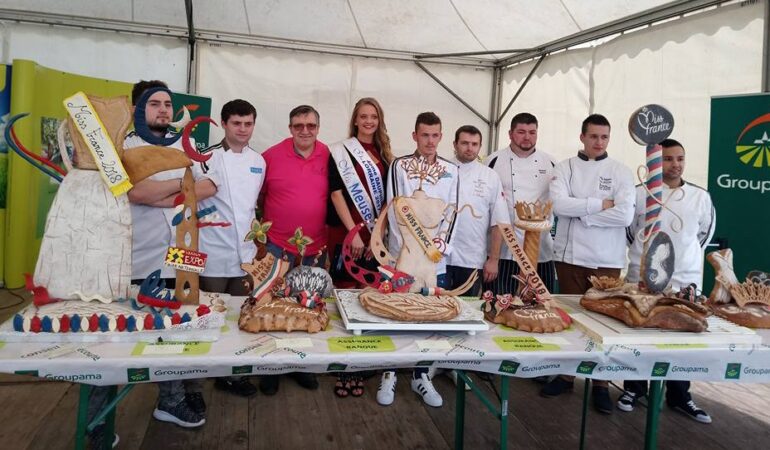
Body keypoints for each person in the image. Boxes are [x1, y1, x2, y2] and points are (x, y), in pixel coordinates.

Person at [88, 81, 212, 449]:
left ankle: (170, 402)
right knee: (115, 341)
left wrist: (163, 195)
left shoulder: (184, 146)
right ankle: (97, 422)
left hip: (179, 260)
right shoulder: (119, 147)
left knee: (173, 334)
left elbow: (207, 188)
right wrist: (180, 185)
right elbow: (134, 192)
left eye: (167, 104)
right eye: (154, 103)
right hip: (133, 260)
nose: (162, 110)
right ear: (137, 107)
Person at [540, 114, 635, 414]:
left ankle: (600, 385)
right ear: (582, 137)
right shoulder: (564, 167)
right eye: (593, 136)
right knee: (570, 319)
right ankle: (567, 375)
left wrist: (583, 214)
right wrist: (598, 205)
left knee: (604, 324)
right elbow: (559, 206)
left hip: (607, 259)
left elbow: (625, 216)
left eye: (604, 137)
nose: (598, 142)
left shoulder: (621, 171)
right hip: (569, 256)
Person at [617, 138, 716, 423]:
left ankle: (680, 394)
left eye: (680, 158)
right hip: (642, 275)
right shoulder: (640, 194)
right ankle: (634, 389)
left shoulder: (700, 196)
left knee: (682, 338)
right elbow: (630, 232)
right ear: (655, 162)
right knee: (639, 332)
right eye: (668, 159)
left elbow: (703, 236)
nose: (675, 164)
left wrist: (680, 259)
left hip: (685, 278)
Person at [378, 112, 459, 408]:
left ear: (441, 136)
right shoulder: (399, 166)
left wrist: (438, 245)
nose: (430, 141)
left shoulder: (452, 170)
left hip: (435, 258)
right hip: (405, 254)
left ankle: (421, 374)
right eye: (424, 135)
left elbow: (453, 211)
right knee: (396, 313)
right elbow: (396, 207)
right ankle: (390, 371)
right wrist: (413, 248)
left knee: (428, 317)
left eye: (435, 135)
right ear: (414, 136)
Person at [258, 104, 330, 395]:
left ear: (318, 128)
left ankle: (300, 365)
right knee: (273, 306)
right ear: (290, 128)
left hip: (313, 249)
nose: (305, 131)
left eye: (310, 125)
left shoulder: (329, 155)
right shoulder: (270, 156)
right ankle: (271, 368)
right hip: (277, 246)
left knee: (305, 306)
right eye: (298, 125)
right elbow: (258, 198)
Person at [198, 99, 265, 398]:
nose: (242, 129)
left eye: (248, 123)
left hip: (245, 254)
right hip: (213, 250)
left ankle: (233, 374)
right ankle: (203, 371)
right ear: (224, 123)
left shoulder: (259, 161)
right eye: (236, 123)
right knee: (211, 314)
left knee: (241, 314)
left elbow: (250, 209)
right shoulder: (204, 158)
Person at [327, 98, 393, 398]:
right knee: (344, 296)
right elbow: (337, 193)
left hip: (374, 237)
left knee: (367, 297)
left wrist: (373, 236)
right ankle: (343, 365)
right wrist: (354, 234)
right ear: (355, 120)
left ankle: (361, 365)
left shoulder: (386, 156)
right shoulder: (341, 152)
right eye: (363, 116)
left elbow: (387, 202)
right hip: (346, 233)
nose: (368, 121)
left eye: (373, 116)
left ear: (379, 121)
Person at [485, 113, 556, 293]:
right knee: (499, 304)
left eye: (532, 132)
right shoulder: (494, 160)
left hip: (540, 250)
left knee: (539, 307)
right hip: (504, 250)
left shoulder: (551, 163)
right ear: (510, 134)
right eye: (521, 132)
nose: (527, 137)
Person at [446, 125, 509, 295]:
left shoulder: (490, 176)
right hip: (438, 258)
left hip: (471, 259)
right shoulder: (441, 170)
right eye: (465, 143)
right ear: (455, 144)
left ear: (480, 146)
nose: (469, 148)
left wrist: (494, 259)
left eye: (474, 144)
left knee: (466, 311)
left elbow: (499, 221)